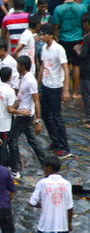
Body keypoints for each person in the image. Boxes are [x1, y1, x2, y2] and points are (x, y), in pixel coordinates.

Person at [8, 55, 45, 178]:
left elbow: (36, 101)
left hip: (25, 116)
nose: (16, 67)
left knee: (12, 140)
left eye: (18, 65)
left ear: (23, 66)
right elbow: (21, 97)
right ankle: (45, 165)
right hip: (22, 114)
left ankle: (16, 169)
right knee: (32, 141)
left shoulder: (30, 80)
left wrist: (37, 121)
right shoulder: (23, 78)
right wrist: (13, 108)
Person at [37, 23, 71, 158]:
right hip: (45, 85)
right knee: (45, 114)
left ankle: (65, 147)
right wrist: (38, 84)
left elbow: (66, 68)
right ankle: (55, 141)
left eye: (45, 34)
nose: (43, 37)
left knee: (57, 117)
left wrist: (66, 89)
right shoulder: (44, 49)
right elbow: (42, 67)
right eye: (42, 34)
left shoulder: (59, 49)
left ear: (51, 35)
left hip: (56, 87)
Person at [53, 0, 88, 99]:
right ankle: (74, 93)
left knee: (65, 65)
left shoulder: (58, 9)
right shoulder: (82, 8)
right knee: (77, 66)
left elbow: (56, 26)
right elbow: (85, 24)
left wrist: (56, 37)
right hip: (77, 40)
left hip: (63, 39)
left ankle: (64, 90)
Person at [29, 156, 73, 233]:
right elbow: (70, 206)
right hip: (62, 227)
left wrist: (44, 204)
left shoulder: (42, 183)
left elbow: (32, 202)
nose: (44, 170)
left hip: (45, 227)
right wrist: (69, 224)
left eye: (44, 167)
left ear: (49, 168)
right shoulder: (67, 184)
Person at [0, 67, 18, 164]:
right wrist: (22, 112)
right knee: (1, 148)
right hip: (3, 125)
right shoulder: (10, 91)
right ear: (10, 77)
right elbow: (10, 109)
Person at [80, 13, 90, 129]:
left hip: (86, 69)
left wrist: (78, 51)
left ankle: (89, 119)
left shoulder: (87, 38)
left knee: (86, 95)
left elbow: (83, 55)